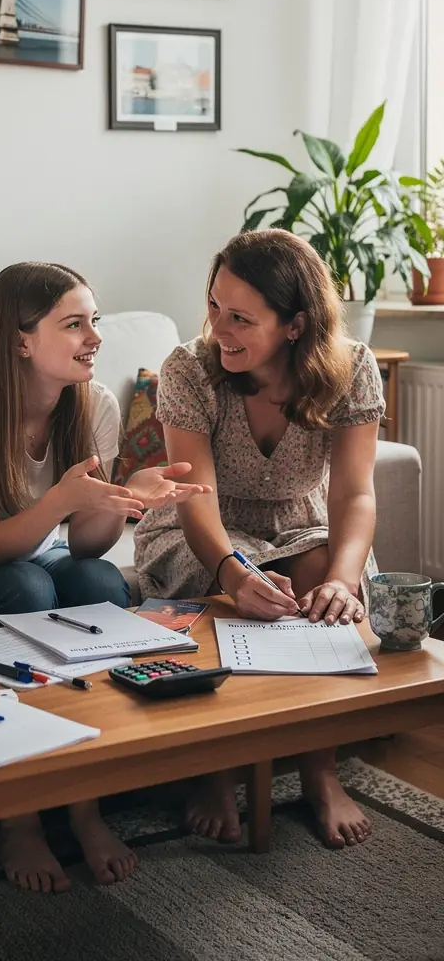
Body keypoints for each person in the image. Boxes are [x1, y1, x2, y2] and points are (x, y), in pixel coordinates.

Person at [0, 261, 208, 893]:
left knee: (103, 583)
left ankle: (84, 804)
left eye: (95, 321)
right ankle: (18, 816)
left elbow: (84, 543)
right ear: (20, 340)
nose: (94, 338)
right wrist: (63, 500)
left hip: (42, 554)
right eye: (74, 324)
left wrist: (122, 501)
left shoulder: (95, 401)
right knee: (28, 589)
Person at [134, 229, 384, 850]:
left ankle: (318, 770)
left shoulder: (352, 370)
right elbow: (198, 499)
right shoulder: (189, 370)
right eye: (215, 306)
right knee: (239, 596)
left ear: (295, 325)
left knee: (321, 580)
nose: (220, 327)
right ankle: (219, 771)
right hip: (201, 524)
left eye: (242, 317)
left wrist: (343, 582)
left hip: (300, 520)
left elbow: (353, 494)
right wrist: (233, 573)